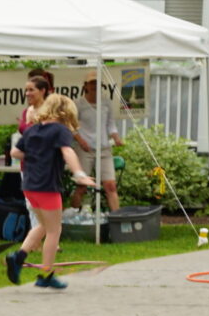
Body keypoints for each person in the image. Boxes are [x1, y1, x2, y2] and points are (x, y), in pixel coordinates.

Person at [6, 92, 86, 291]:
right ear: (65, 111)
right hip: (47, 186)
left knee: (43, 225)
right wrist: (79, 174)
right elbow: (68, 151)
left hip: (30, 186)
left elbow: (15, 153)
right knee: (54, 230)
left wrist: (35, 154)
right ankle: (46, 274)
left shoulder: (32, 130)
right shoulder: (60, 130)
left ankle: (19, 257)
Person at [79, 75, 124, 214]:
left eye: (97, 84)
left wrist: (116, 138)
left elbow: (111, 125)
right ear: (85, 86)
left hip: (104, 149)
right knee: (82, 186)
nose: (94, 87)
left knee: (110, 185)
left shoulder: (106, 103)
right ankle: (73, 216)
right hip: (84, 150)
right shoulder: (78, 104)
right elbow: (71, 127)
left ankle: (117, 219)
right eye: (91, 83)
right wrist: (81, 141)